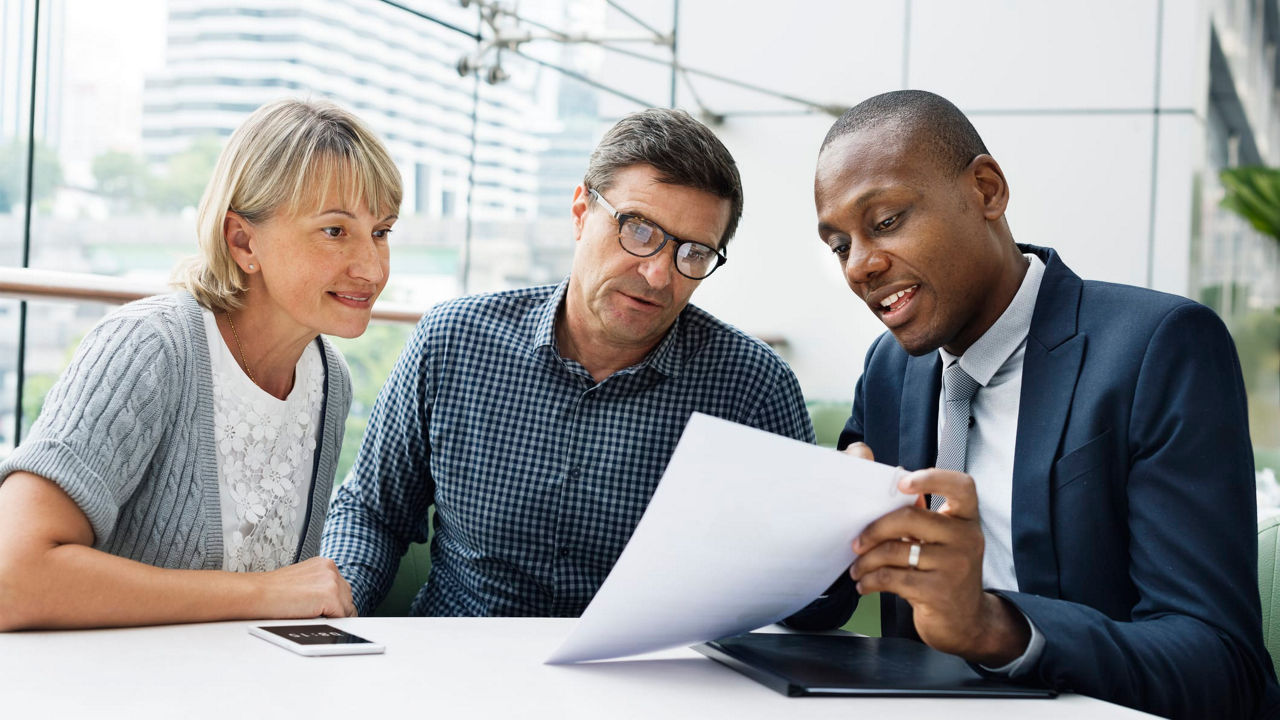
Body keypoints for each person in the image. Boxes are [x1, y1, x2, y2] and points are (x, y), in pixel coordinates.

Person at [796, 89, 1280, 719]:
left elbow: (1222, 664)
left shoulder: (1159, 348)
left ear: (987, 191)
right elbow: (827, 604)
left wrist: (994, 626)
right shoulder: (890, 370)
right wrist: (806, 532)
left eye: (885, 221)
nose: (860, 265)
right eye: (839, 245)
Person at [322, 108, 814, 617]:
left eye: (692, 254)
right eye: (639, 230)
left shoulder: (753, 387)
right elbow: (372, 513)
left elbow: (801, 590)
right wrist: (334, 612)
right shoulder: (454, 341)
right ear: (582, 211)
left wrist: (837, 540)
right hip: (458, 668)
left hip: (649, 683)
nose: (658, 275)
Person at [0, 98, 402, 630]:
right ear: (242, 241)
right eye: (334, 231)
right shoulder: (146, 349)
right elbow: (13, 577)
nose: (372, 268)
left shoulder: (329, 380)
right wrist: (260, 593)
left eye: (381, 232)